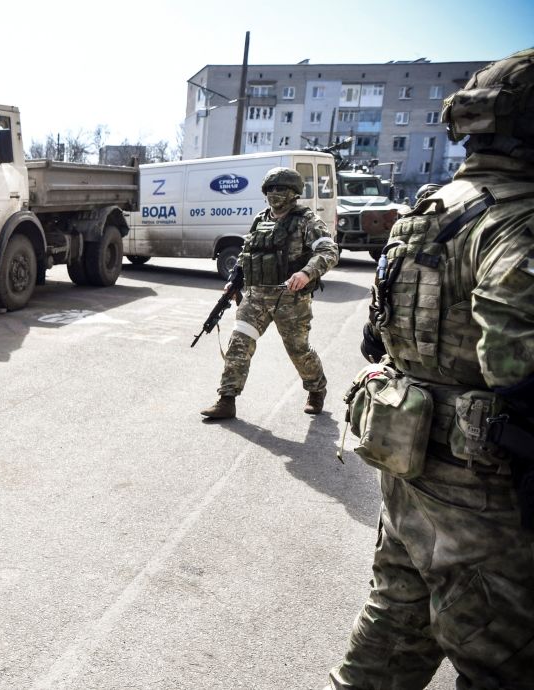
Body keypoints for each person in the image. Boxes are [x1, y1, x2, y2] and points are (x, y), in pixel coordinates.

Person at [330, 48, 534, 689]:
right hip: (486, 490)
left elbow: (380, 338)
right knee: (502, 658)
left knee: (397, 622)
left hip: (412, 459)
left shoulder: (431, 207)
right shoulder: (518, 221)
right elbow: (515, 363)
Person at [200, 167, 339, 420]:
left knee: (298, 350)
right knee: (239, 343)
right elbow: (247, 253)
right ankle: (226, 399)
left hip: (290, 298)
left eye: (281, 189)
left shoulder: (306, 221)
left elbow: (329, 252)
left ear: (294, 193)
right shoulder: (260, 219)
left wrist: (307, 273)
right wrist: (234, 281)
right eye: (271, 189)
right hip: (256, 296)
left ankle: (316, 388)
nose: (275, 194)